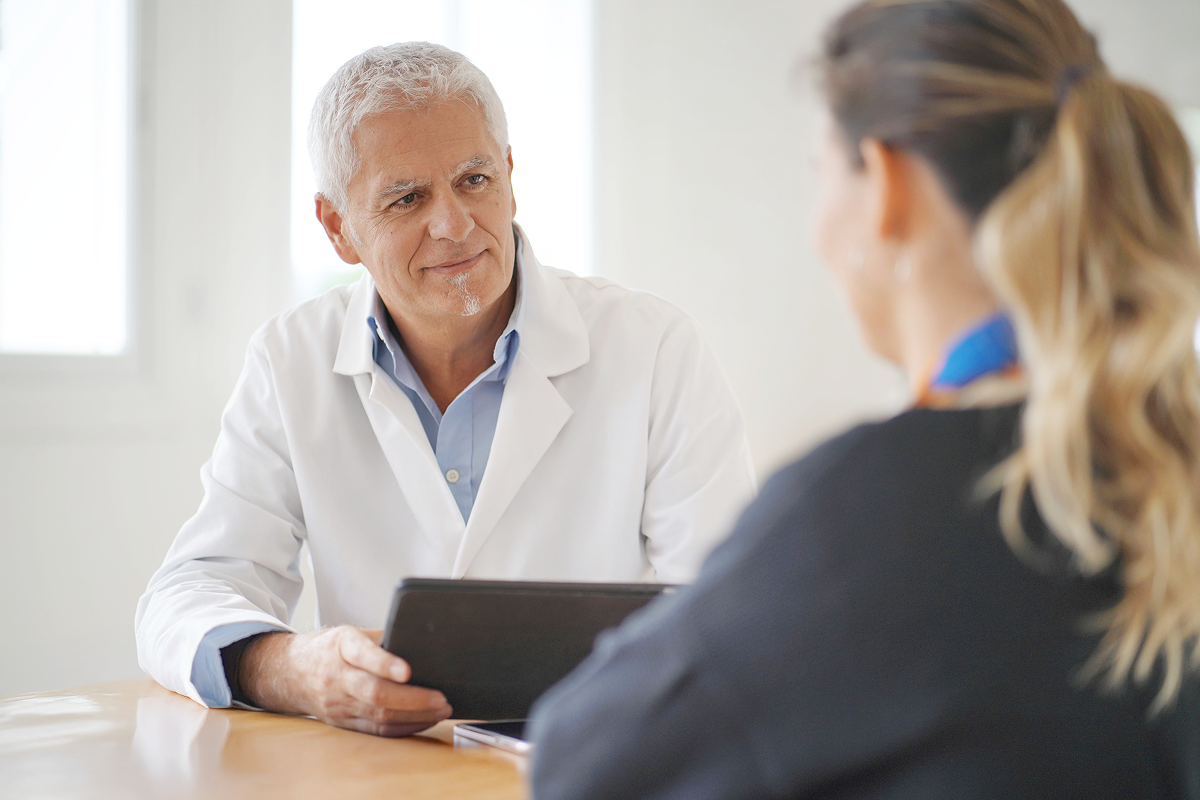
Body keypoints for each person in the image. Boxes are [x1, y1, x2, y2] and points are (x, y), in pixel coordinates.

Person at [527, 0, 1200, 796]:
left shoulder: (872, 509)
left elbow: (582, 764)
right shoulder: (1162, 453)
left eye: (820, 172)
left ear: (887, 186)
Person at [135, 42, 756, 738]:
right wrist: (293, 668)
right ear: (338, 228)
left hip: (598, 757)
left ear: (511, 176)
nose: (454, 224)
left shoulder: (655, 347)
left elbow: (726, 606)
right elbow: (187, 593)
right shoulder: (291, 361)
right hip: (379, 773)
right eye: (407, 198)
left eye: (474, 179)